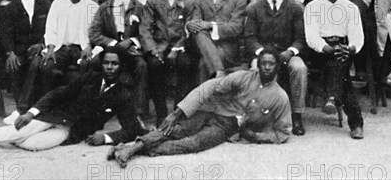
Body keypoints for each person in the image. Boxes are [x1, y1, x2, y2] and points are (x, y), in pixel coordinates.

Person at [107, 48, 292, 168]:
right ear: (258, 65)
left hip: (227, 127)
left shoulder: (280, 97)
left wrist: (255, 136)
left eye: (271, 64)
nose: (267, 67)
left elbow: (283, 133)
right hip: (211, 112)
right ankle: (131, 149)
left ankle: (129, 149)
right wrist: (177, 113)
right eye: (263, 63)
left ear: (278, 67)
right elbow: (209, 87)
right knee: (176, 130)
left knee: (193, 144)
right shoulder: (243, 77)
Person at [0, 47, 147, 151]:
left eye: (114, 64)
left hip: (71, 130)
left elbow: (132, 129)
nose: (110, 67)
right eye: (107, 63)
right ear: (102, 64)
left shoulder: (123, 94)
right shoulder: (90, 77)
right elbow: (59, 93)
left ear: (120, 67)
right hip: (54, 116)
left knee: (31, 145)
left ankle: (8, 134)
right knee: (27, 128)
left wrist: (105, 138)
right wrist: (31, 112)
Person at [245, 0, 307, 136]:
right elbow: (250, 38)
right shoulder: (255, 8)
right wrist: (261, 54)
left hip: (286, 53)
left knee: (299, 68)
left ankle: (297, 116)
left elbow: (301, 38)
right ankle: (256, 116)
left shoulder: (294, 8)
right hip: (264, 54)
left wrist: (291, 51)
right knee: (254, 70)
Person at [304, 0, 365, 139]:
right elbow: (311, 37)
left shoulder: (350, 7)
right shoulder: (312, 6)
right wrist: (327, 49)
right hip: (320, 52)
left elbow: (357, 37)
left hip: (343, 48)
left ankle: (332, 98)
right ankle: (356, 124)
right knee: (341, 71)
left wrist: (350, 48)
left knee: (339, 61)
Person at [89, 0, 148, 124]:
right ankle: (94, 110)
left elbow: (147, 32)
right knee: (93, 63)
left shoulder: (140, 8)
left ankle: (139, 112)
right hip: (111, 51)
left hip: (131, 52)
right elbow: (94, 33)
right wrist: (115, 44)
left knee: (141, 65)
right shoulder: (104, 7)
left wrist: (132, 41)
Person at [140, 0, 196, 126]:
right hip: (159, 46)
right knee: (154, 65)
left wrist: (177, 48)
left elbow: (189, 29)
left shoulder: (188, 2)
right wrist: (153, 49)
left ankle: (178, 114)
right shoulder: (153, 1)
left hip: (180, 46)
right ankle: (161, 114)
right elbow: (145, 28)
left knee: (185, 64)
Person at [0, 0, 51, 124]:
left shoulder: (45, 5)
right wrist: (10, 53)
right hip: (19, 51)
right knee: (13, 65)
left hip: (39, 49)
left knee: (36, 63)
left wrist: (41, 43)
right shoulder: (10, 7)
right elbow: (5, 34)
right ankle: (21, 106)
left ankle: (22, 109)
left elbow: (51, 29)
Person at [40, 0, 99, 94]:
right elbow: (51, 28)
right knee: (48, 65)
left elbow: (95, 32)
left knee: (86, 67)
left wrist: (89, 46)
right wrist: (50, 48)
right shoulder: (58, 3)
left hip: (81, 48)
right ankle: (48, 105)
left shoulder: (92, 6)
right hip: (62, 48)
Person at [186, 0, 246, 81]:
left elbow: (236, 28)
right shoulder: (200, 0)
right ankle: (218, 72)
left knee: (205, 63)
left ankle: (204, 98)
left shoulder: (238, 0)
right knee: (198, 30)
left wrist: (210, 26)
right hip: (203, 45)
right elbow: (196, 24)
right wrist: (191, 24)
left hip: (228, 48)